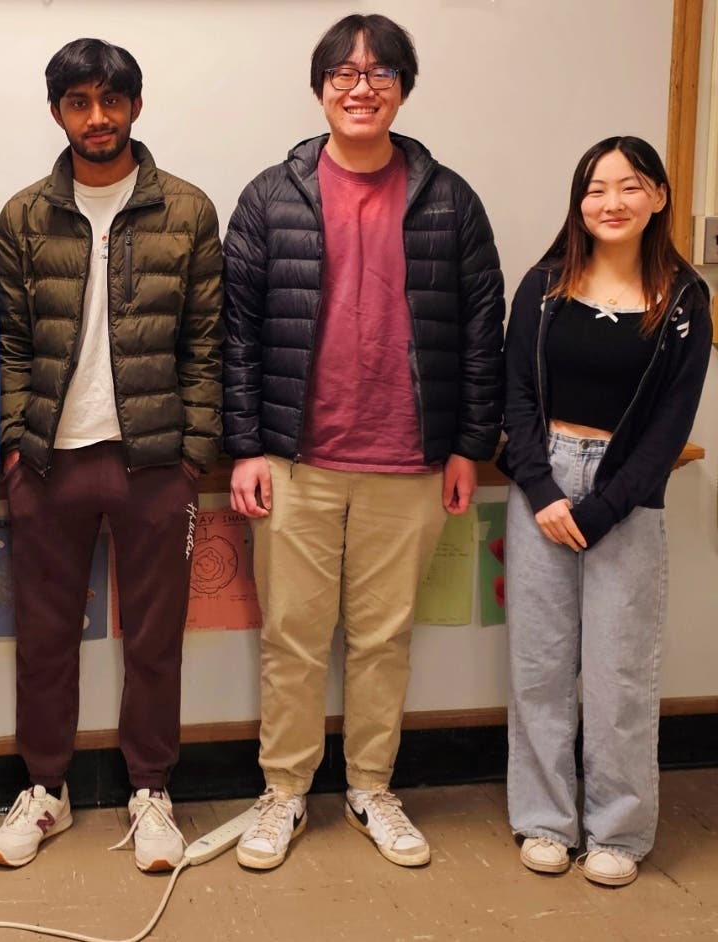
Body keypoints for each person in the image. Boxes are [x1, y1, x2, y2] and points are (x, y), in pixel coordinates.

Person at [223, 13, 504, 870]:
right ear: (320, 89)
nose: (361, 87)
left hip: (409, 462)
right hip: (295, 461)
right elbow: (237, 332)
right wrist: (246, 446)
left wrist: (468, 444)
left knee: (384, 640)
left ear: (403, 89)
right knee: (293, 640)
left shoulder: (449, 199)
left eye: (381, 72)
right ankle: (283, 792)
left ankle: (372, 788)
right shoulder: (272, 196)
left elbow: (481, 328)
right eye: (343, 73)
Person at [0, 37, 223, 873]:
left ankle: (151, 791)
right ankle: (44, 790)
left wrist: (193, 455)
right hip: (49, 461)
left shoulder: (187, 210)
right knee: (44, 636)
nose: (97, 117)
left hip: (155, 462)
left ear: (135, 106)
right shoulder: (24, 216)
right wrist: (15, 447)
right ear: (58, 111)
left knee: (155, 639)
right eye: (80, 102)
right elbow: (9, 345)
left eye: (111, 100)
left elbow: (205, 343)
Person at [499, 136, 711, 887]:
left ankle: (618, 831)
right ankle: (544, 821)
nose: (610, 202)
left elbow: (671, 424)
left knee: (622, 669)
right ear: (579, 200)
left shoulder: (684, 299)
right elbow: (516, 395)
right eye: (595, 188)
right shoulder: (545, 284)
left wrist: (602, 508)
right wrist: (543, 490)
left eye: (629, 186)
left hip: (628, 491)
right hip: (543, 480)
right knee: (539, 665)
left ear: (658, 197)